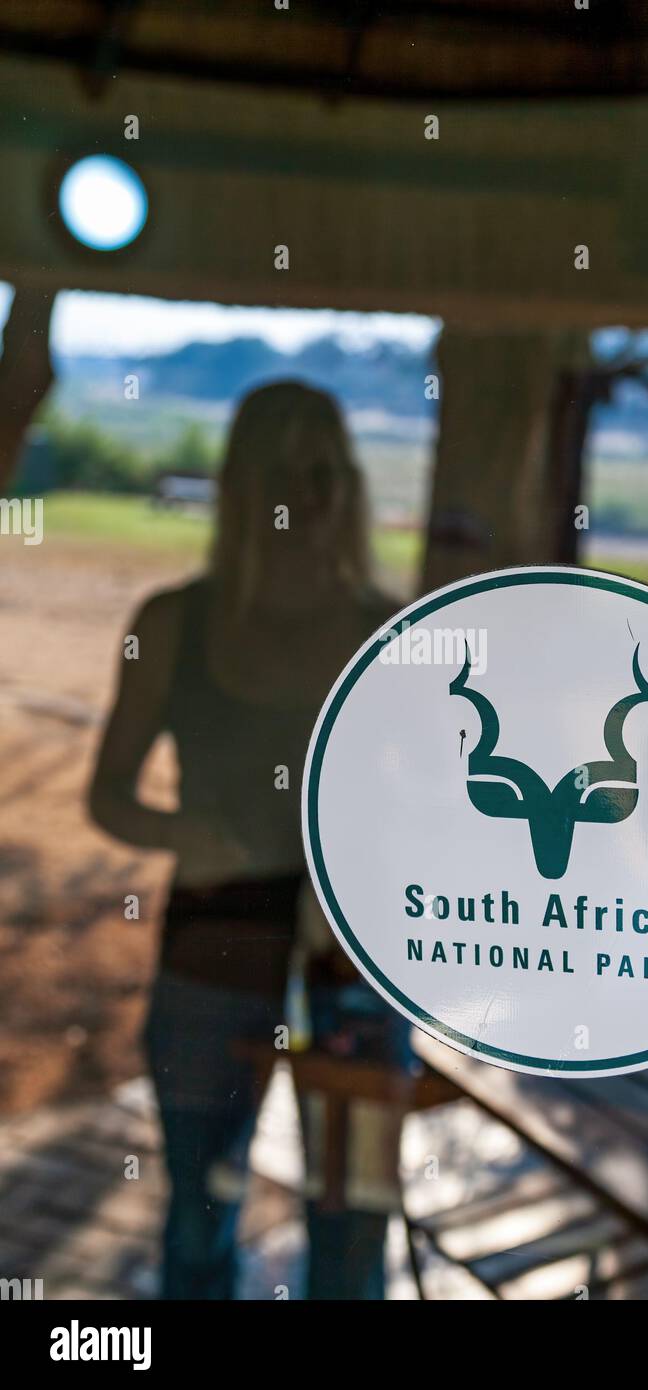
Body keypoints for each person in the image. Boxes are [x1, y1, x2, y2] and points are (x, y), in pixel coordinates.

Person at [89, 381, 407, 1299]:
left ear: (346, 486)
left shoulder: (391, 631)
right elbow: (107, 794)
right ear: (240, 486)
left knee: (355, 1233)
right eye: (280, 473)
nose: (304, 497)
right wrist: (184, 831)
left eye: (322, 472)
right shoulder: (173, 623)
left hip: (357, 974)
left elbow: (435, 808)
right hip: (210, 952)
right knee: (197, 1218)